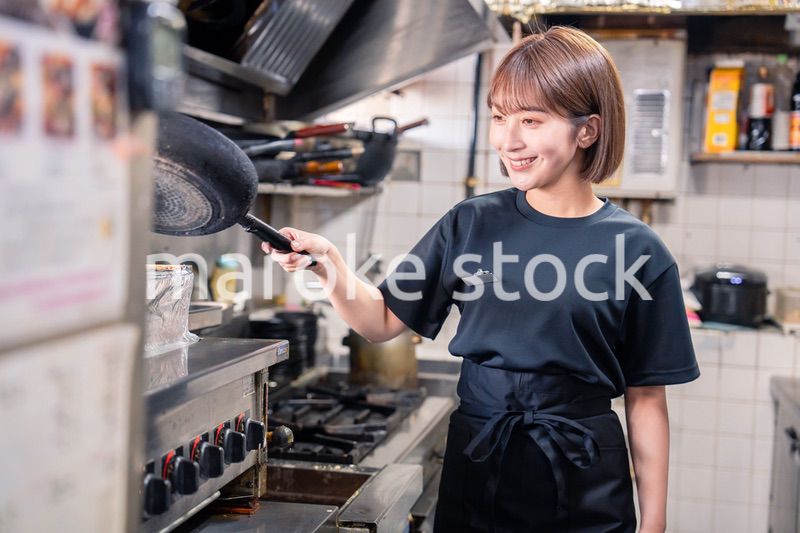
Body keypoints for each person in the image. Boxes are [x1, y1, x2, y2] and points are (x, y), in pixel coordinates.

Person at [263, 26, 699, 533]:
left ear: (588, 131)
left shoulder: (639, 250)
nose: (507, 140)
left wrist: (655, 525)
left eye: (531, 120)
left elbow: (646, 400)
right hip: (480, 461)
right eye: (498, 117)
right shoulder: (470, 223)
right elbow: (381, 320)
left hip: (582, 475)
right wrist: (330, 264)